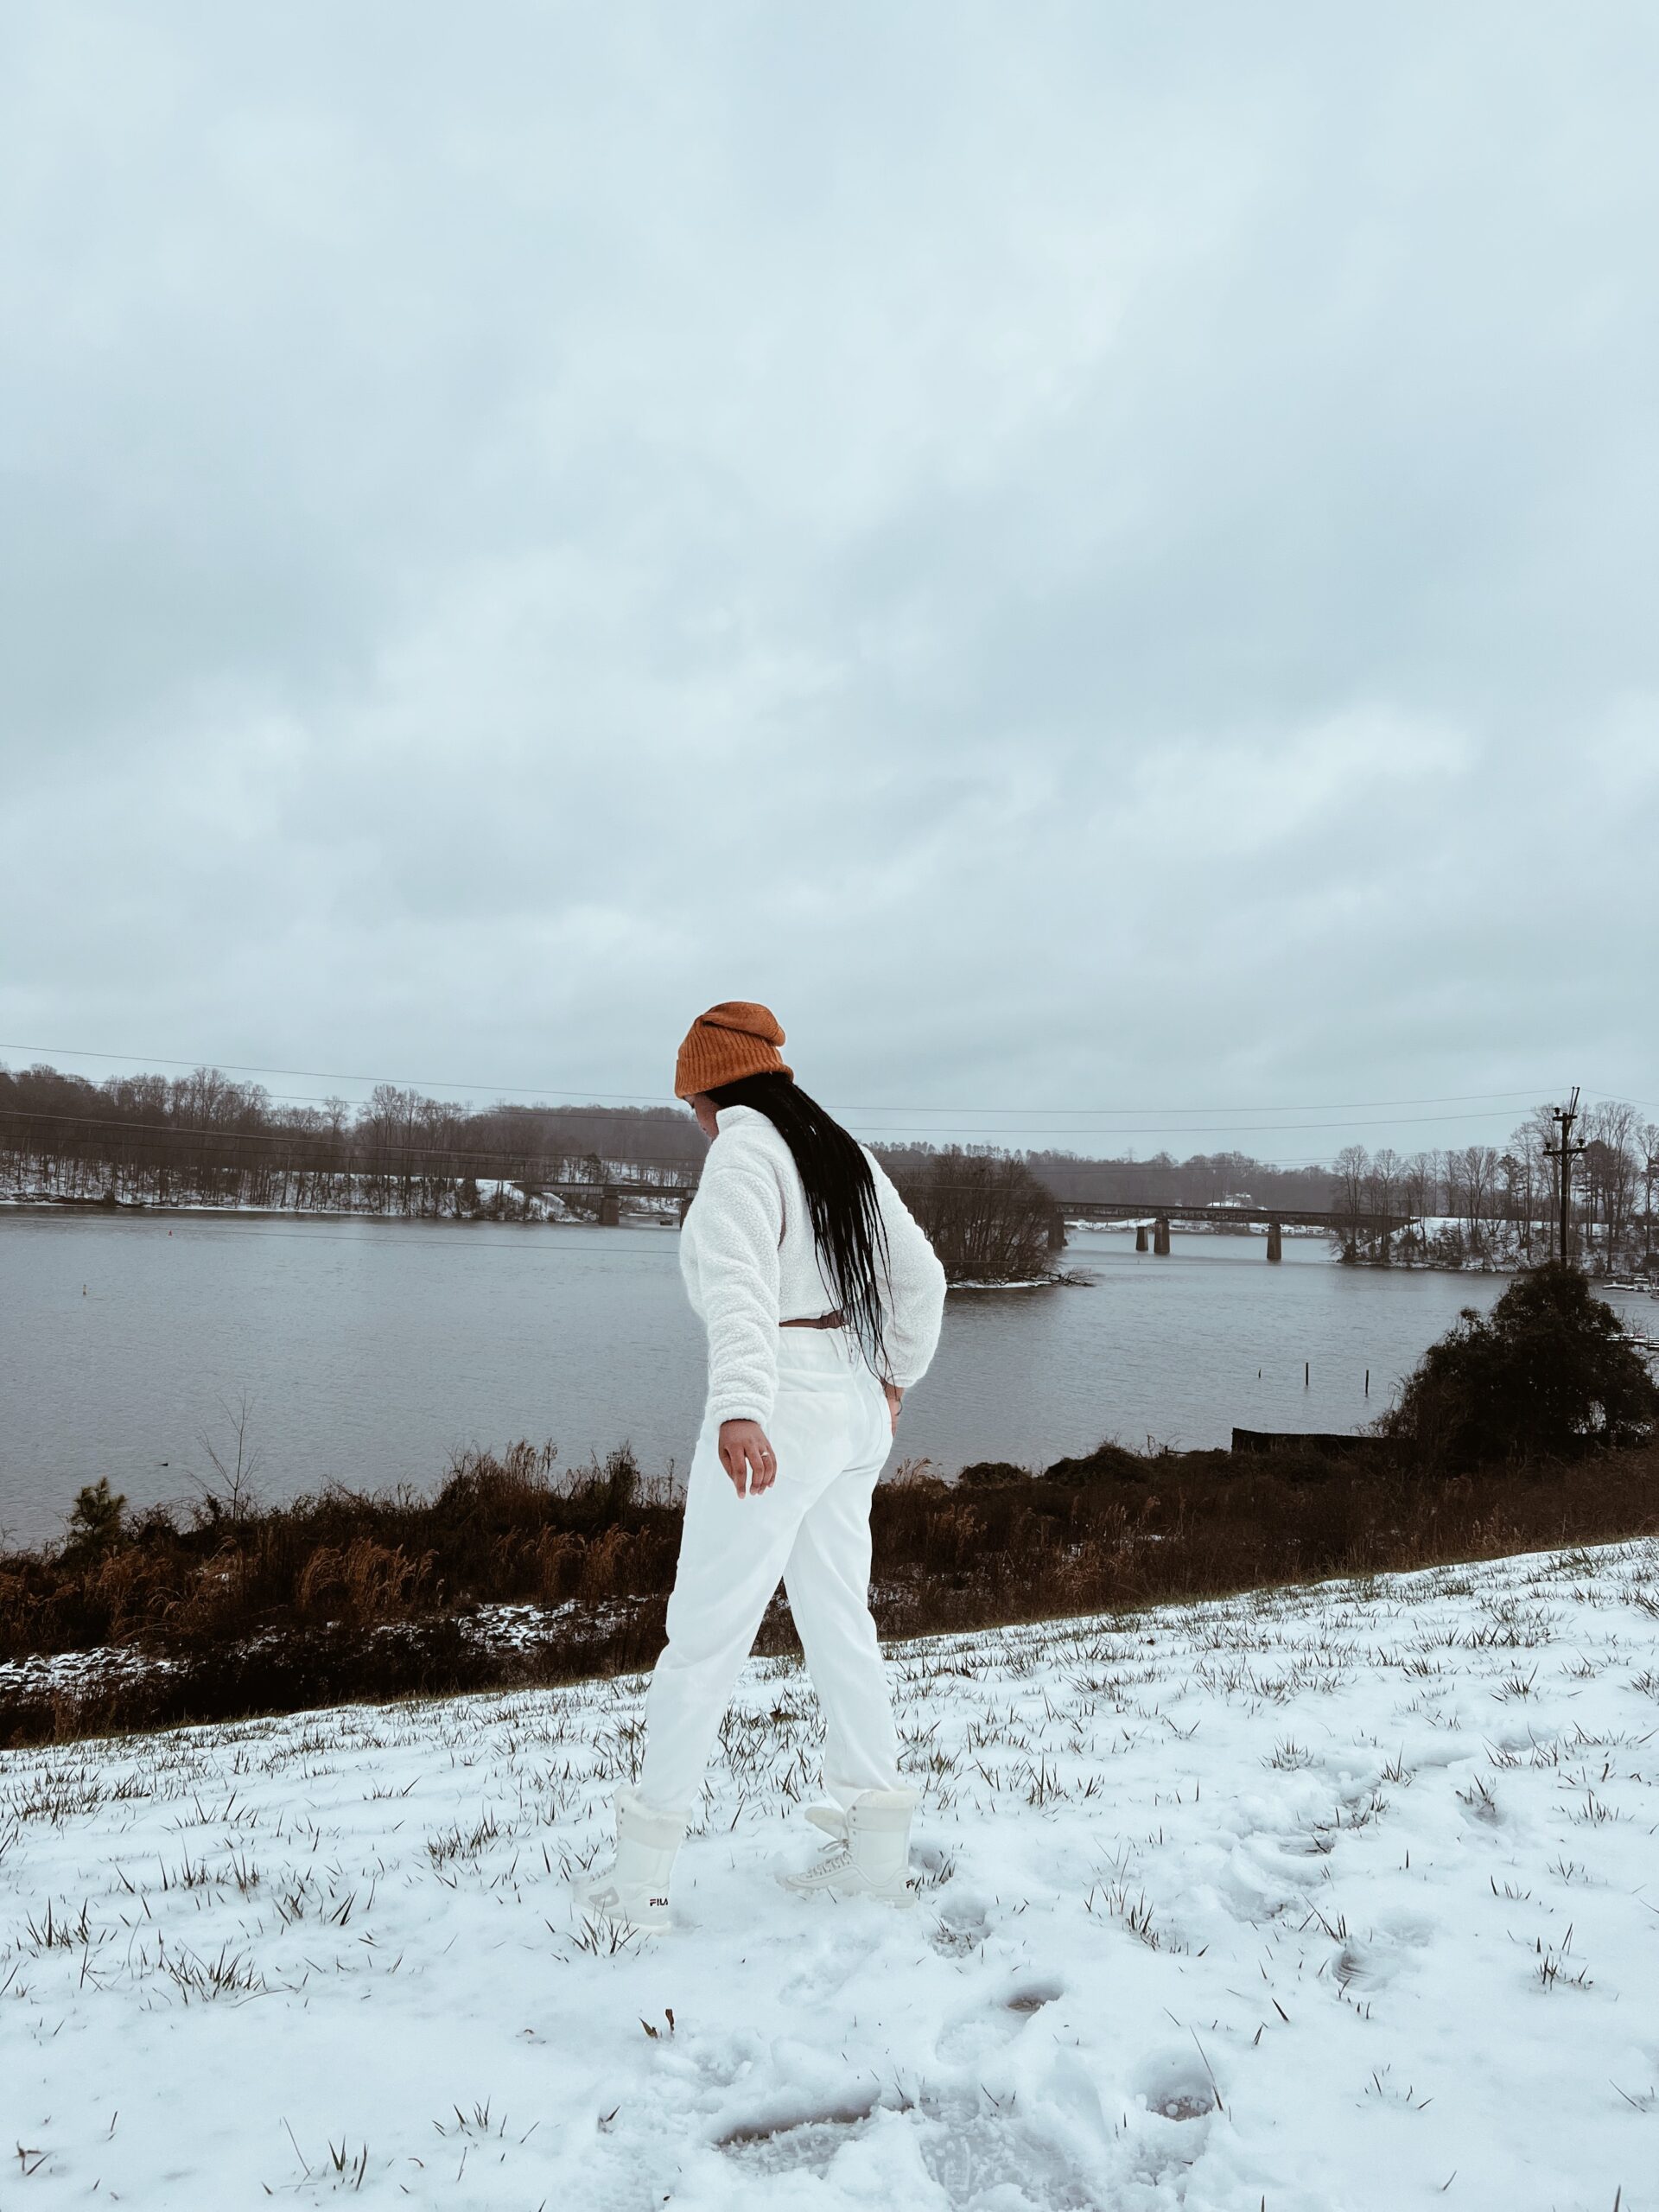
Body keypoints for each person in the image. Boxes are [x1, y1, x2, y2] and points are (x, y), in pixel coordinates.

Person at [580, 1001, 947, 1935]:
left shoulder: (742, 1153)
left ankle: (640, 1885)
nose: (691, 1115)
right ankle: (875, 1857)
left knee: (704, 1635)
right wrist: (892, 1375)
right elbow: (924, 1279)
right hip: (851, 1399)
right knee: (839, 1622)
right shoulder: (838, 1151)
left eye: (689, 1097)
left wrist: (742, 1406)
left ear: (709, 1085)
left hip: (780, 1407)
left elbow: (742, 1288)